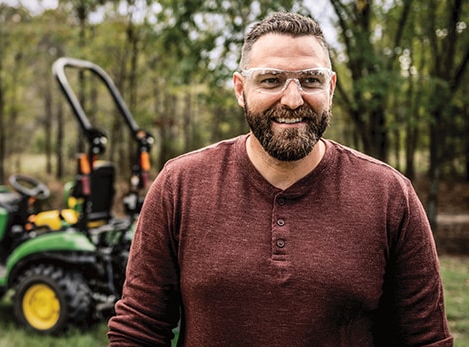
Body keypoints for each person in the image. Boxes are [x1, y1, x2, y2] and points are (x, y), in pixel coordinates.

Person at [107, 12, 453, 346]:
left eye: (310, 80)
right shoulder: (179, 186)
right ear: (241, 89)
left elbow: (426, 339)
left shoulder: (390, 195)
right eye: (271, 80)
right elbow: (138, 331)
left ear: (330, 87)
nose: (292, 99)